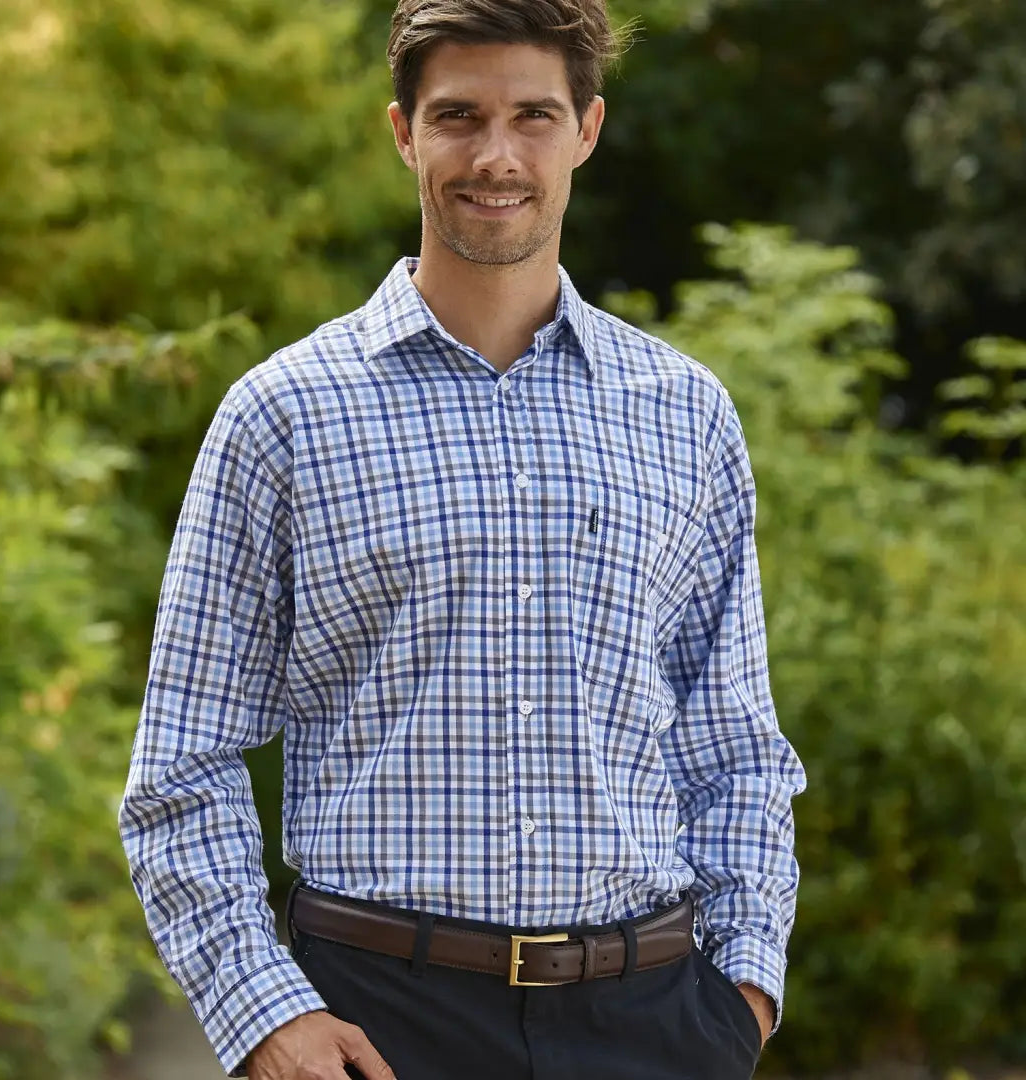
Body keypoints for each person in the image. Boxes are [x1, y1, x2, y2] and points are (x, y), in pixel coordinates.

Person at [119, 1, 807, 1077]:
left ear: (587, 128)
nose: (495, 155)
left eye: (534, 115)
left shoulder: (685, 412)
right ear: (404, 131)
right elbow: (182, 766)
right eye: (458, 116)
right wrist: (263, 1015)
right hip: (375, 1025)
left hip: (655, 1025)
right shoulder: (284, 417)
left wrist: (743, 997)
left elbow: (735, 750)